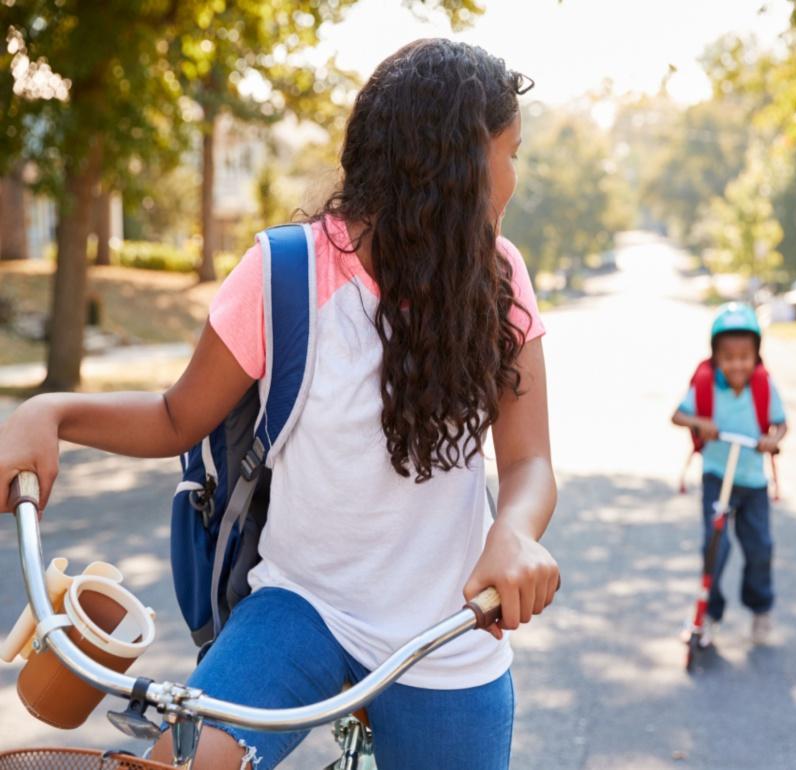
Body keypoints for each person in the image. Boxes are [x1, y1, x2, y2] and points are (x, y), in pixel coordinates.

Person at [0, 39, 558, 770]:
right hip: (304, 607)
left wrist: (514, 531)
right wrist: (51, 414)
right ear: (455, 166)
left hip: (448, 631)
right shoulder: (287, 272)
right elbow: (178, 417)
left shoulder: (500, 278)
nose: (514, 178)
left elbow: (529, 462)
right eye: (510, 152)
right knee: (184, 759)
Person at [671, 302, 787, 646]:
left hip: (752, 482)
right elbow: (677, 416)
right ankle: (708, 613)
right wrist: (699, 422)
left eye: (744, 356)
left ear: (756, 356)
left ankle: (760, 609)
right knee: (715, 548)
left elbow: (781, 424)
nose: (737, 364)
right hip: (717, 477)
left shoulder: (763, 387)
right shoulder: (706, 383)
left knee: (760, 547)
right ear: (716, 357)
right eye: (729, 356)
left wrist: (772, 439)